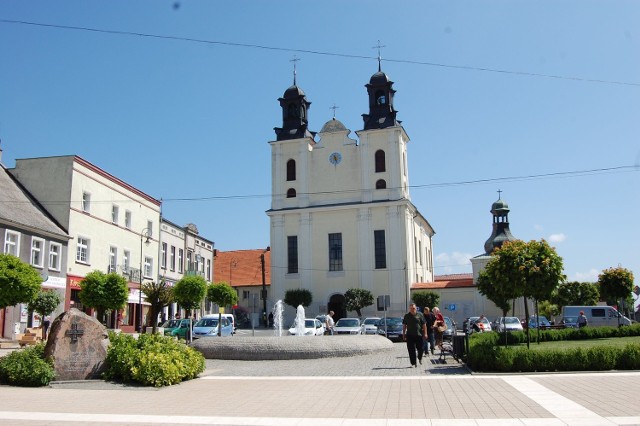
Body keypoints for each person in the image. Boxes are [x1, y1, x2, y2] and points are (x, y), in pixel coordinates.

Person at [402, 303, 427, 368]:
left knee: (421, 349)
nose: (412, 309)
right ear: (409, 309)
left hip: (419, 335)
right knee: (411, 350)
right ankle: (413, 363)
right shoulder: (407, 316)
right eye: (411, 308)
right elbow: (404, 326)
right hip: (410, 335)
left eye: (413, 308)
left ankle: (420, 357)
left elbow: (424, 325)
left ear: (416, 308)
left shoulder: (420, 315)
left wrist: (425, 333)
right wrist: (404, 334)